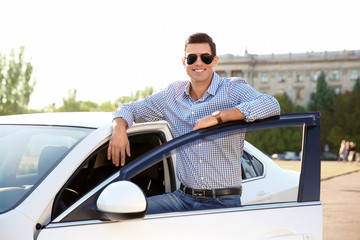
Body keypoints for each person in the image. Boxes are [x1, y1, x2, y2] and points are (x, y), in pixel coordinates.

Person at [107, 32, 280, 213]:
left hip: (223, 201)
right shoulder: (172, 95)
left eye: (205, 57)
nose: (198, 63)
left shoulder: (232, 89)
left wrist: (219, 116)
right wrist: (119, 127)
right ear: (184, 62)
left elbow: (270, 104)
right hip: (182, 199)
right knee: (126, 213)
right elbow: (129, 109)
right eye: (192, 58)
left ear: (214, 61)